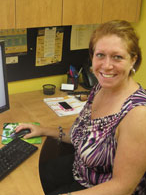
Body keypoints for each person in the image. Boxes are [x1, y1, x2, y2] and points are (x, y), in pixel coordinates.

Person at [15, 20, 146, 195]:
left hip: (99, 189)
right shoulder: (101, 87)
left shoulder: (138, 115)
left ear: (133, 60)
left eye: (117, 57)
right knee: (27, 180)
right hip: (80, 170)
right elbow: (84, 135)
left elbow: (123, 187)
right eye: (100, 55)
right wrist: (43, 130)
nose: (106, 65)